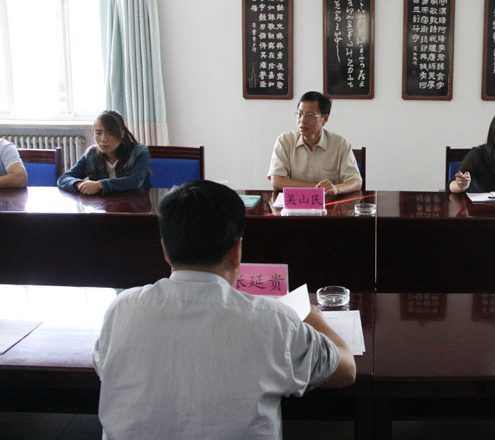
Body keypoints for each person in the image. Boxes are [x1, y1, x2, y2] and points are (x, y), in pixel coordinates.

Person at [93, 180, 356, 438]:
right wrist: (314, 318)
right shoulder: (272, 320)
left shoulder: (121, 309)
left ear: (165, 249)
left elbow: (104, 366)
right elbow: (346, 370)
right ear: (236, 249)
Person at [268, 91, 362, 196]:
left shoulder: (340, 144)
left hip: (330, 204)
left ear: (325, 119)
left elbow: (356, 182)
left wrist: (336, 188)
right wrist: (318, 188)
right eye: (299, 114)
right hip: (296, 203)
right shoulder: (285, 141)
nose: (302, 120)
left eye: (310, 115)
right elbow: (277, 181)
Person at [57, 110, 150, 194]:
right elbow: (63, 179)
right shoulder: (91, 154)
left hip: (133, 203)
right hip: (101, 205)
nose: (103, 139)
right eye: (98, 133)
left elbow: (135, 181)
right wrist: (80, 185)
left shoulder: (139, 151)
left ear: (122, 134)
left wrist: (99, 185)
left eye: (110, 133)